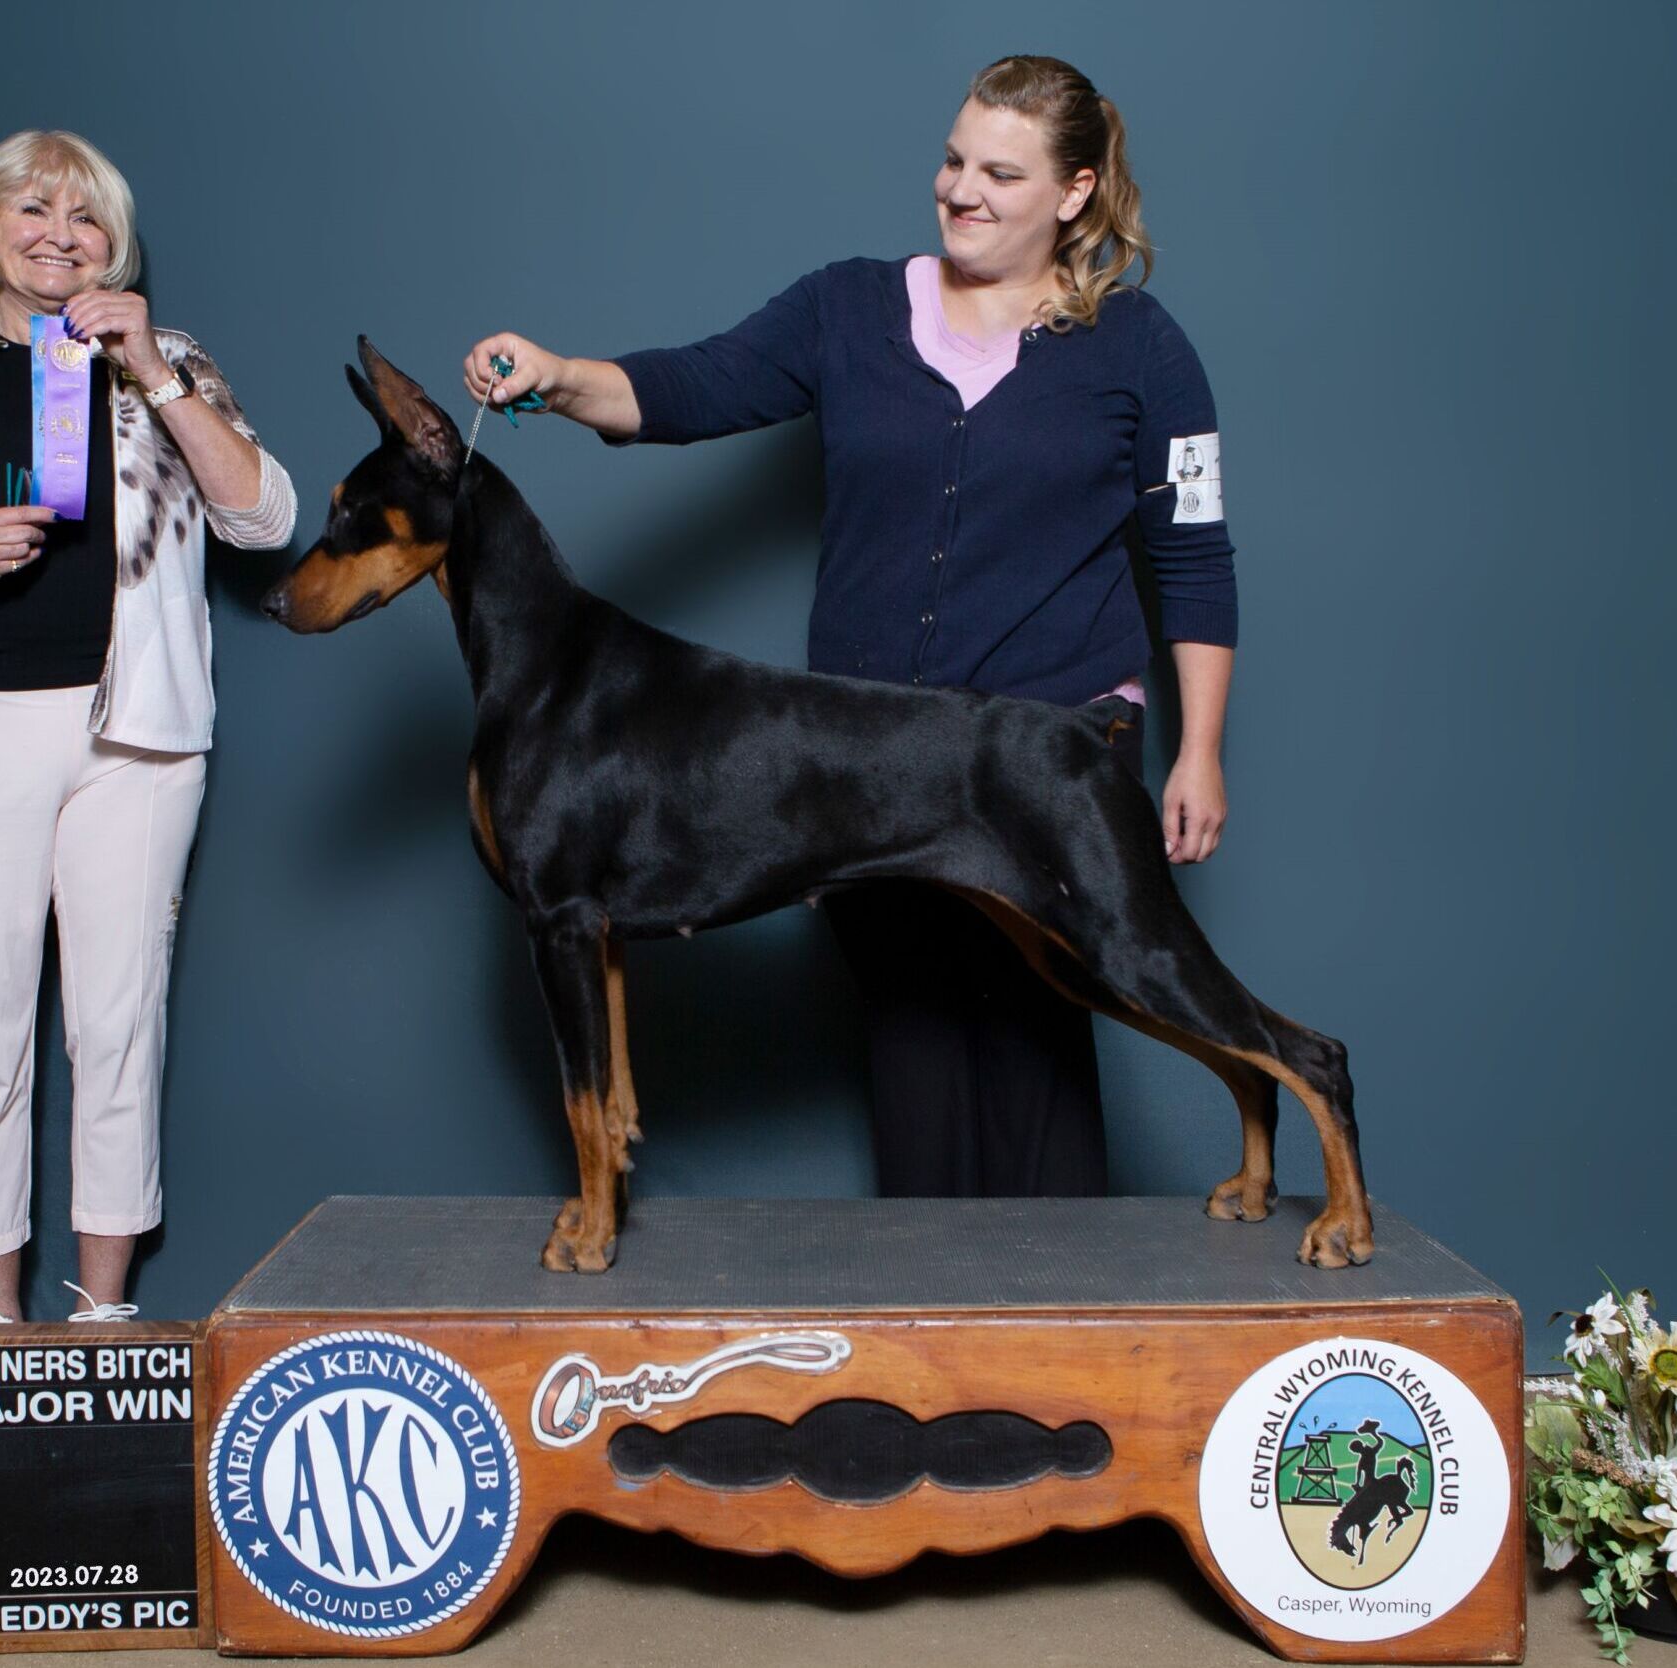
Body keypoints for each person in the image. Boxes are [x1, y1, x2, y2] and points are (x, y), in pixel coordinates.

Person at [462, 55, 1237, 1198]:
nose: (961, 190)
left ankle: (1059, 1347)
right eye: (952, 160)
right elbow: (696, 386)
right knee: (914, 1050)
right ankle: (935, 1355)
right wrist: (555, 375)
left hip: (1050, 751)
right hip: (864, 765)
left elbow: (1193, 551)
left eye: (1000, 173)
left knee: (1044, 1047)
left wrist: (1202, 749)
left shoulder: (1143, 348)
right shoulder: (846, 308)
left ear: (1073, 192)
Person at [0, 130, 296, 1318]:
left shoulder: (166, 357)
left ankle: (102, 1314)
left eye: (85, 220)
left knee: (118, 1029)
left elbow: (266, 518)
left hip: (136, 741)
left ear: (112, 244)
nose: (59, 237)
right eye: (35, 211)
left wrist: (159, 376)